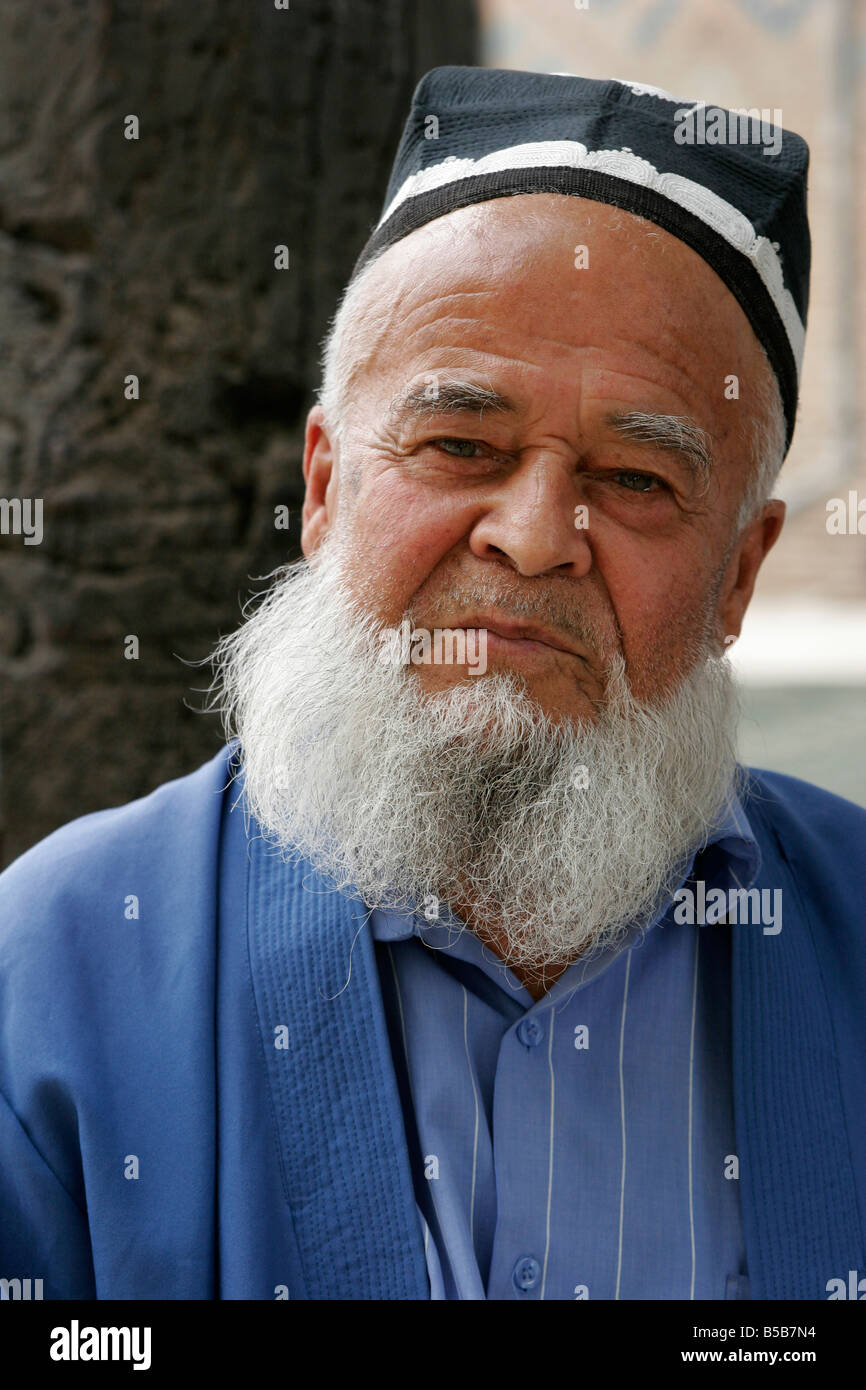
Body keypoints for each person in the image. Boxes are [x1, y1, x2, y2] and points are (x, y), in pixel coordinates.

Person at [1, 67, 863, 1302]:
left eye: (632, 479)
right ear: (325, 487)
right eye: (461, 445)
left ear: (739, 573)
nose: (532, 534)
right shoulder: (53, 972)